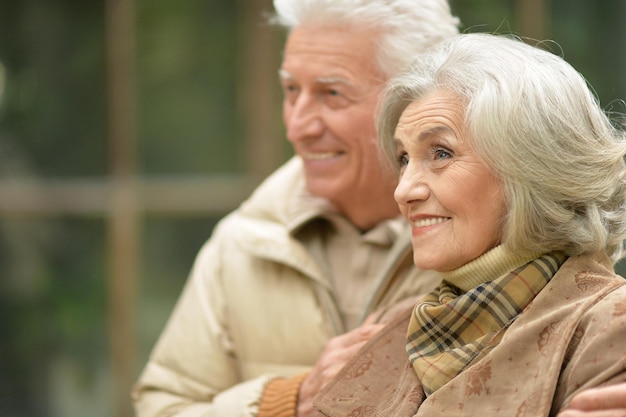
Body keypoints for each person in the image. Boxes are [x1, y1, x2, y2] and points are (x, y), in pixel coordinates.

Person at [132, 1, 459, 416]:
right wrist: (290, 401)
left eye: (332, 94)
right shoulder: (244, 243)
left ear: (416, 101)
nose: (298, 126)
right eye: (291, 91)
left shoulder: (495, 234)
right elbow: (161, 407)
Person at [312, 32, 626, 417]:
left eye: (440, 153)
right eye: (404, 158)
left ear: (531, 167)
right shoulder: (397, 325)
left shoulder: (611, 324)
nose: (403, 189)